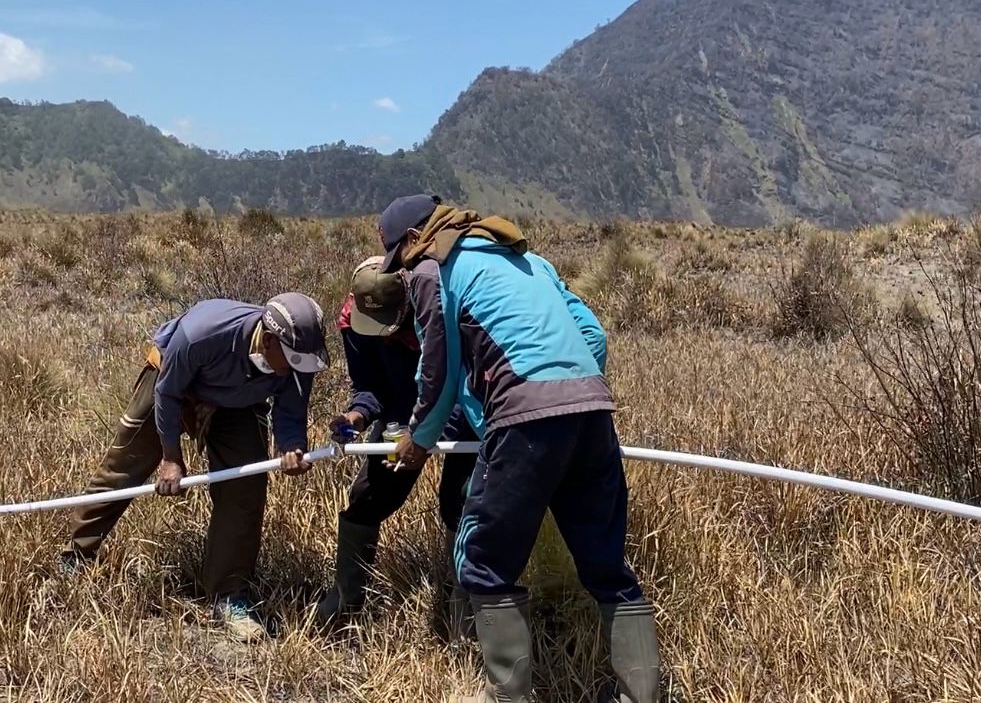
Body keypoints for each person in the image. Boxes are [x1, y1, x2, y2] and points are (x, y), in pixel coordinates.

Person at [376, 195, 661, 703]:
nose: (403, 270)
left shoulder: (431, 268)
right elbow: (592, 336)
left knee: (481, 562)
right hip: (594, 409)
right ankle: (642, 696)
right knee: (606, 566)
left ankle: (508, 697)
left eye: (400, 258)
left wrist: (418, 442)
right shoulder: (529, 259)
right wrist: (567, 392)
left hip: (525, 418)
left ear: (414, 240)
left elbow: (437, 374)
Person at [59, 292, 330, 642]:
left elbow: (291, 410)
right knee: (124, 467)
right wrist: (171, 457)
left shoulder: (297, 356)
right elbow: (168, 392)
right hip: (171, 385)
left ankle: (230, 594)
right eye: (291, 359)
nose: (296, 368)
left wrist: (293, 446)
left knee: (245, 488)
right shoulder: (204, 333)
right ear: (267, 339)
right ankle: (77, 555)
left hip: (237, 402)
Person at [313, 255, 479, 637]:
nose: (383, 335)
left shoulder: (440, 309)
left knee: (460, 502)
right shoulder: (354, 321)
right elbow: (370, 387)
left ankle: (465, 622)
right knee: (368, 497)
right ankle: (345, 601)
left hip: (459, 407)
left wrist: (424, 437)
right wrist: (355, 416)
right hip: (403, 412)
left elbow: (460, 376)